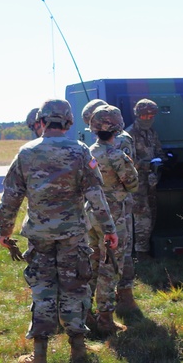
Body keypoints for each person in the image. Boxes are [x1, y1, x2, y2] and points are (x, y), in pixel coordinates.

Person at [0, 99, 117, 363]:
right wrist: (109, 229)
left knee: (43, 290)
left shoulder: (26, 152)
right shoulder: (80, 151)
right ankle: (78, 351)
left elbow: (11, 197)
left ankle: (40, 356)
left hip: (39, 235)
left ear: (41, 121)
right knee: (75, 288)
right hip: (73, 234)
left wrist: (3, 230)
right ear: (69, 122)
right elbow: (96, 195)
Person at [81, 99, 140, 311]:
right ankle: (105, 315)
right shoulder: (116, 155)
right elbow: (132, 184)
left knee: (93, 261)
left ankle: (85, 311)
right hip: (114, 214)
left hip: (91, 212)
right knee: (112, 264)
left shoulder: (86, 152)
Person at [126, 99, 166, 260]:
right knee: (142, 216)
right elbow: (127, 160)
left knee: (152, 214)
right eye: (145, 115)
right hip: (137, 183)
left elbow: (158, 150)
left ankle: (146, 247)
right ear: (138, 115)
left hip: (151, 181)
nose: (148, 118)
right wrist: (147, 165)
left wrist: (164, 159)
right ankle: (141, 253)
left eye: (152, 115)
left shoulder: (151, 133)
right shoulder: (129, 135)